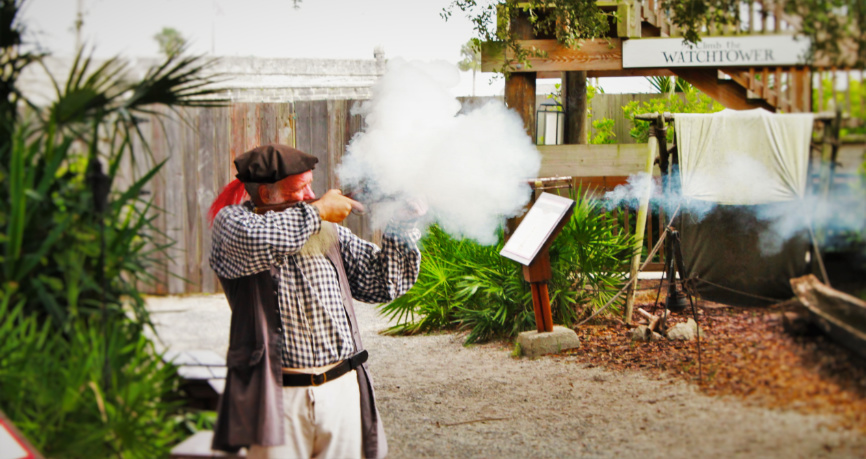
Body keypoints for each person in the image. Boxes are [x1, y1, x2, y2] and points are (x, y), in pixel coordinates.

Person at [207, 144, 422, 459]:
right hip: (276, 397)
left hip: (342, 388)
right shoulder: (234, 225)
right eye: (299, 188)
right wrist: (319, 211)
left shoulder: (326, 230)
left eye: (310, 184)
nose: (310, 193)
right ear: (266, 195)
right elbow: (265, 239)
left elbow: (384, 283)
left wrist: (403, 222)